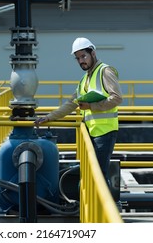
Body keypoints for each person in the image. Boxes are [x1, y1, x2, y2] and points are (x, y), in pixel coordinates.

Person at [34, 37, 123, 184]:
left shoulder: (105, 71)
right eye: (77, 58)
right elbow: (71, 104)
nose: (81, 61)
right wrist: (49, 117)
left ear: (93, 53)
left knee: (99, 174)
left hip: (105, 132)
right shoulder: (84, 79)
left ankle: (103, 206)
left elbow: (117, 98)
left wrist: (92, 106)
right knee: (92, 173)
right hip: (91, 132)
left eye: (83, 56)